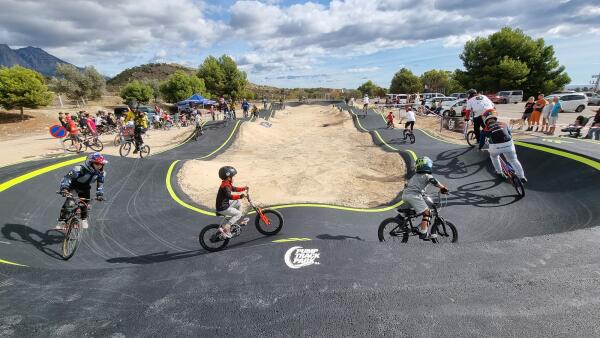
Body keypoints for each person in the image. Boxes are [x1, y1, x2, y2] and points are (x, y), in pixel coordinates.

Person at [401, 157, 449, 239]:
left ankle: (399, 220)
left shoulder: (415, 176)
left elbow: (407, 185)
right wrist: (443, 188)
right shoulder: (427, 175)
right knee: (427, 212)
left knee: (412, 212)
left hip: (405, 196)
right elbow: (434, 181)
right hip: (414, 196)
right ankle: (423, 233)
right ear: (426, 165)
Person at [56, 152, 107, 229]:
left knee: (84, 205)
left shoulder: (101, 173)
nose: (99, 166)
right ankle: (62, 221)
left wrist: (99, 194)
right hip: (74, 187)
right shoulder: (79, 169)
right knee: (70, 203)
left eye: (101, 164)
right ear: (90, 163)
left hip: (85, 188)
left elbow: (100, 184)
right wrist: (64, 188)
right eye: (97, 163)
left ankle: (84, 219)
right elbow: (67, 178)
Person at [479, 110, 527, 183]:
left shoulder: (485, 129)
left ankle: (499, 172)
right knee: (513, 160)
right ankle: (522, 176)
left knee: (494, 157)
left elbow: (482, 141)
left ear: (485, 119)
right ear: (495, 117)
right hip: (508, 144)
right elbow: (509, 134)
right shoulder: (504, 124)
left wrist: (480, 148)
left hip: (495, 147)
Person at [215, 166, 249, 238]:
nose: (233, 178)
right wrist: (240, 196)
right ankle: (226, 228)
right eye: (232, 176)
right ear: (228, 177)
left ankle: (236, 221)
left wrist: (244, 188)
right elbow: (229, 196)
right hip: (223, 208)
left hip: (223, 205)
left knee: (238, 202)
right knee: (238, 213)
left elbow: (234, 189)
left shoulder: (226, 183)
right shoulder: (225, 186)